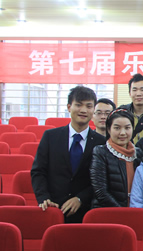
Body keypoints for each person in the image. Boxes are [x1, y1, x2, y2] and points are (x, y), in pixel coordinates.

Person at [31, 86, 106, 223]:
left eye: (89, 106)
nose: (83, 110)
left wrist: (81, 198)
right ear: (69, 107)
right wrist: (44, 198)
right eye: (78, 105)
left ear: (93, 110)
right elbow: (38, 171)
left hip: (87, 212)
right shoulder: (50, 137)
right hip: (53, 208)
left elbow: (103, 179)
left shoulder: (101, 142)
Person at [90, 109, 143, 208]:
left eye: (127, 128)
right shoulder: (101, 152)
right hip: (108, 211)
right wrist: (122, 211)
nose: (122, 133)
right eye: (117, 128)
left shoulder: (138, 153)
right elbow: (100, 191)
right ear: (109, 129)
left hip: (135, 209)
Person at [118, 74, 143, 143]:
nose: (138, 94)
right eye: (134, 90)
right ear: (130, 93)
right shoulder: (122, 112)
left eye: (142, 90)